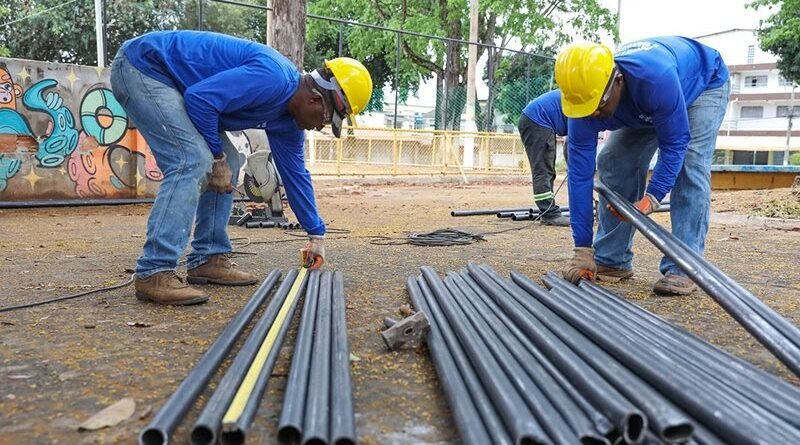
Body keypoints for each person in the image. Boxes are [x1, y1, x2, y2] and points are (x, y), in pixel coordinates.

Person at [110, 30, 373, 305]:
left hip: (178, 85)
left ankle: (207, 258)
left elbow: (296, 176)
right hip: (144, 67)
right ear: (316, 99)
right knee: (193, 160)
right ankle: (154, 270)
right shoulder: (273, 79)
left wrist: (316, 234)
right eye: (327, 120)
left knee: (230, 160)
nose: (320, 127)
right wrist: (215, 157)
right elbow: (200, 100)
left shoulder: (288, 122)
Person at [556, 36, 729, 295]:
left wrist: (651, 198)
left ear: (617, 81)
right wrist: (582, 249)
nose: (592, 116)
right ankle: (612, 260)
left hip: (702, 85)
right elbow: (580, 177)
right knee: (613, 160)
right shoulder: (586, 100)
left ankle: (685, 267)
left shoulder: (655, 80)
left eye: (597, 107)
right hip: (646, 101)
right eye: (585, 109)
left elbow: (674, 144)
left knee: (689, 164)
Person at [519, 89, 570, 226]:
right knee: (543, 169)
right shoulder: (588, 105)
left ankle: (548, 211)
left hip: (536, 119)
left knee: (546, 169)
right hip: (537, 120)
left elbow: (570, 143)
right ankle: (549, 214)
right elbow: (573, 144)